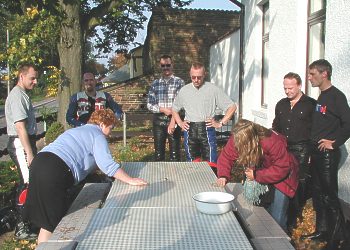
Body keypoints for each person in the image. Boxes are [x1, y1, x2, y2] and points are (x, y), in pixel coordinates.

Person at [22, 109, 148, 244]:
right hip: (55, 170)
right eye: (110, 128)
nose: (110, 133)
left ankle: (42, 245)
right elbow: (107, 165)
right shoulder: (97, 135)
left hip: (39, 162)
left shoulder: (77, 130)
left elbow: (87, 160)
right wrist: (130, 180)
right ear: (102, 124)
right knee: (55, 224)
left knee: (47, 222)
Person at [301, 59, 350, 249]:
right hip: (317, 153)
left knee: (330, 197)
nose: (309, 77)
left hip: (328, 156)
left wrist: (334, 143)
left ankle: (338, 239)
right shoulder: (322, 97)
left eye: (312, 74)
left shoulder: (336, 97)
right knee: (318, 194)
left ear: (324, 74)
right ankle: (322, 231)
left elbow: (348, 124)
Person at [216, 119, 299, 231]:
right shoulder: (238, 136)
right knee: (260, 211)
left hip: (284, 177)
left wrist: (256, 175)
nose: (237, 145)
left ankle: (282, 238)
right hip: (261, 170)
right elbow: (226, 156)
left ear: (251, 139)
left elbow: (282, 167)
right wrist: (223, 175)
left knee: (277, 217)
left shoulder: (272, 141)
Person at [172, 63, 237, 172]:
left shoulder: (213, 89)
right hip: (190, 129)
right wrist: (179, 122)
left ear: (204, 75)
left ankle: (211, 187)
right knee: (192, 164)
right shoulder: (184, 90)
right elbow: (174, 109)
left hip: (207, 128)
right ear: (190, 74)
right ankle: (194, 186)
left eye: (199, 77)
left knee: (211, 164)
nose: (196, 80)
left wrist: (221, 123)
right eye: (193, 77)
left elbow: (232, 107)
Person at [272, 72, 317, 231]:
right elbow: (275, 128)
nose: (287, 91)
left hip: (302, 150)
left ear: (299, 85)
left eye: (290, 88)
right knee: (281, 182)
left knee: (298, 186)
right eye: (285, 88)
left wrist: (312, 153)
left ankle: (292, 220)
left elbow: (316, 131)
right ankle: (280, 222)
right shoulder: (281, 104)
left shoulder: (311, 105)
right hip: (284, 150)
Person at [5, 62, 39, 240]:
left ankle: (29, 219)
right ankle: (21, 227)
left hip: (25, 143)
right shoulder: (17, 96)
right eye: (32, 78)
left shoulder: (23, 94)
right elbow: (20, 127)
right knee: (27, 183)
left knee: (28, 181)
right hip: (20, 144)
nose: (35, 82)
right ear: (21, 76)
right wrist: (29, 153)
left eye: (36, 78)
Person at [147, 55, 185, 161]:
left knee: (175, 153)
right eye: (163, 66)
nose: (165, 68)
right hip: (158, 120)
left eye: (168, 65)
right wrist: (162, 109)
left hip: (174, 118)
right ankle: (160, 176)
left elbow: (181, 103)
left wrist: (173, 119)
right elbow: (150, 104)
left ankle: (176, 176)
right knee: (159, 153)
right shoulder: (155, 84)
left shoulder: (179, 82)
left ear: (172, 65)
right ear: (160, 66)